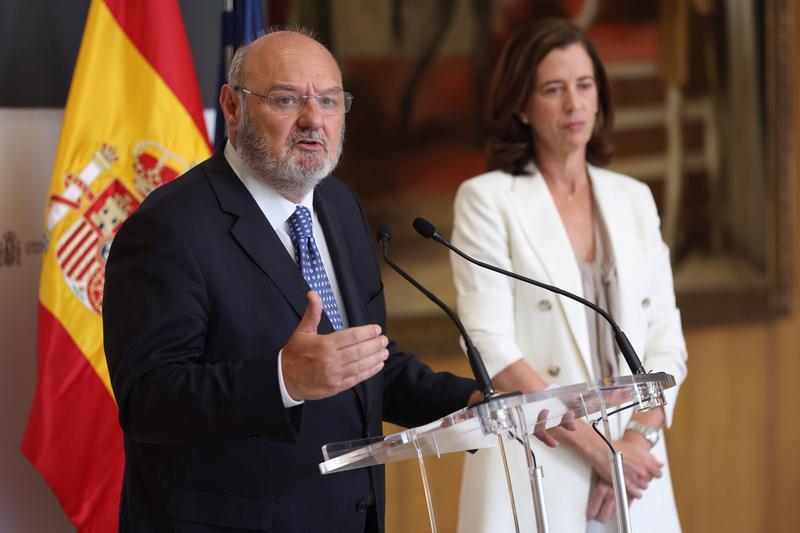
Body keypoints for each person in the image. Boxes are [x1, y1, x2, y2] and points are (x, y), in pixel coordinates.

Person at [102, 30, 480, 533]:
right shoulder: (170, 227)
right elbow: (148, 400)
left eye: (329, 101)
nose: (313, 119)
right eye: (286, 99)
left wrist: (469, 402)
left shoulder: (340, 205)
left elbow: (359, 363)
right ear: (232, 107)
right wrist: (281, 379)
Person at [451, 19, 689, 533]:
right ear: (522, 105)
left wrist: (636, 442)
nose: (573, 104)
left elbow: (666, 340)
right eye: (553, 90)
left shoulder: (633, 198)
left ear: (600, 95)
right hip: (543, 459)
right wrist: (602, 452)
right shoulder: (486, 200)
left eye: (584, 85)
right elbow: (491, 348)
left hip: (636, 472)